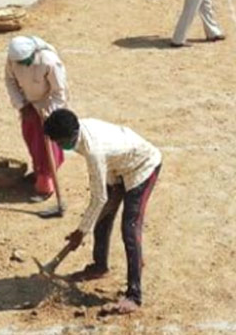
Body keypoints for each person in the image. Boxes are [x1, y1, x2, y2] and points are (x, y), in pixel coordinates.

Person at [45, 108, 162, 316]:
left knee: (130, 228)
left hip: (142, 166)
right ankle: (99, 267)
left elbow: (99, 198)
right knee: (103, 216)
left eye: (59, 142)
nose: (58, 146)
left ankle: (134, 295)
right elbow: (103, 193)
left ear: (71, 135)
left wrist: (81, 232)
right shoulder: (77, 130)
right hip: (117, 169)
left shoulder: (92, 149)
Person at [4, 36, 69, 204]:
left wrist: (48, 113)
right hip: (28, 105)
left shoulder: (49, 61)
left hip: (49, 106)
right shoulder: (13, 60)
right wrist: (23, 106)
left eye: (26, 61)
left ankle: (46, 185)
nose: (23, 65)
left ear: (34, 54)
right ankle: (40, 171)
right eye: (20, 62)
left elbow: (59, 92)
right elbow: (10, 81)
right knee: (32, 141)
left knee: (45, 146)